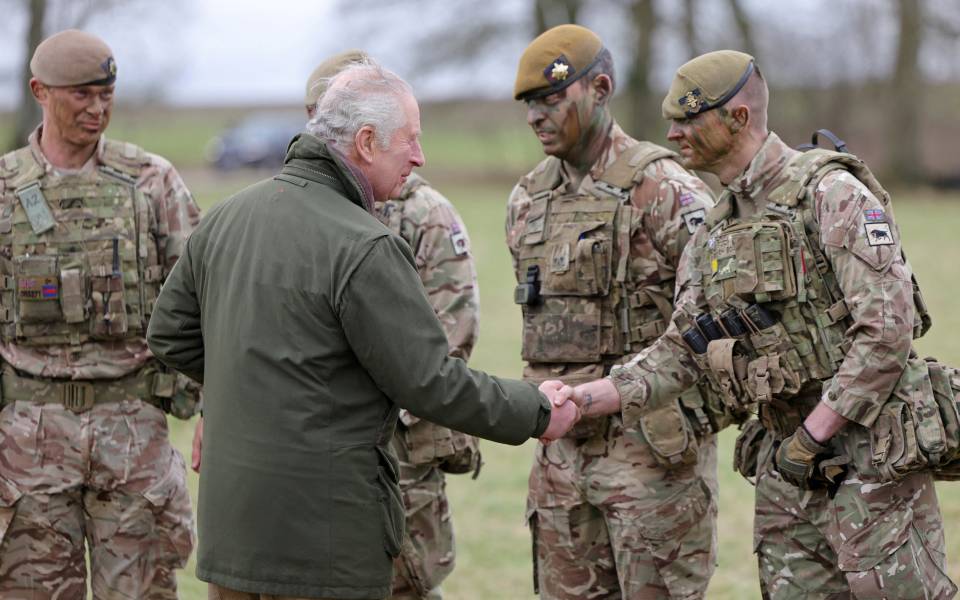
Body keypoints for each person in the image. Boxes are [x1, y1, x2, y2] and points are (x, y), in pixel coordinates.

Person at [146, 61, 581, 600]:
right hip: (325, 539)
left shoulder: (226, 217)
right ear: (367, 142)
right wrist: (537, 410)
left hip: (233, 533)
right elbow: (430, 383)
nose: (420, 156)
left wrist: (255, 380)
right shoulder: (364, 245)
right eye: (411, 140)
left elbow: (169, 334)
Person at [564, 50, 957, 599]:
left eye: (688, 119)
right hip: (785, 467)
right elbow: (683, 348)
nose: (673, 133)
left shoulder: (831, 194)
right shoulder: (714, 230)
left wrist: (815, 434)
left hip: (871, 459)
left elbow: (886, 332)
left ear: (738, 118)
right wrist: (592, 398)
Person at [193, 50, 483, 600]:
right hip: (304, 462)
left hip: (397, 448)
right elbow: (249, 328)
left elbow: (446, 344)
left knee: (405, 579)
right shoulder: (282, 207)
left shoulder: (422, 214)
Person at [507, 24, 733, 600]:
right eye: (530, 104)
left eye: (553, 99)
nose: (538, 116)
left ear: (601, 88)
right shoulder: (527, 200)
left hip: (651, 463)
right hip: (560, 461)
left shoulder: (665, 189)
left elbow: (723, 317)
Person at [0, 29, 200, 598]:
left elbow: (203, 302)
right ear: (40, 90)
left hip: (132, 432)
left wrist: (211, 408)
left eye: (106, 95)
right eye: (82, 95)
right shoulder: (4, 188)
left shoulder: (152, 182)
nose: (98, 109)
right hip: (27, 443)